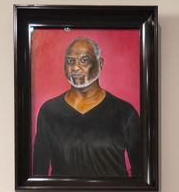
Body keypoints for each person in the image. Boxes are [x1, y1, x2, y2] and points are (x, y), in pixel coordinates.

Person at [32, 36, 142, 177]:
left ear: (100, 63)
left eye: (84, 60)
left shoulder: (125, 112)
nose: (75, 67)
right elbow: (38, 173)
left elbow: (140, 173)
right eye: (70, 61)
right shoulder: (49, 112)